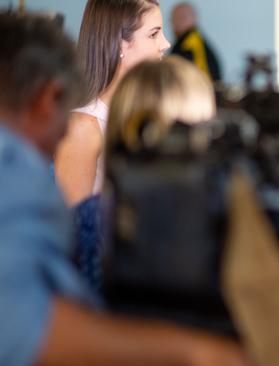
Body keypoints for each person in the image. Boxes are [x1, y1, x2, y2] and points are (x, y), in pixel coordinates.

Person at [0, 11, 248, 366]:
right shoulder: (27, 165)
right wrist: (195, 352)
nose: (165, 44)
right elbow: (33, 324)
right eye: (154, 33)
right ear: (48, 99)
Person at [54, 0, 171, 206]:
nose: (166, 43)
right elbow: (73, 229)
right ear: (118, 43)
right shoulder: (82, 128)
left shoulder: (143, 113)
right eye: (153, 34)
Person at [170, 2, 223, 83]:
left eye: (181, 18)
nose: (174, 23)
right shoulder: (192, 42)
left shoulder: (191, 44)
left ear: (194, 19)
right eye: (173, 18)